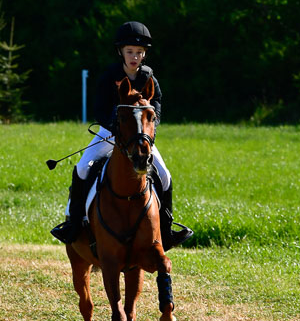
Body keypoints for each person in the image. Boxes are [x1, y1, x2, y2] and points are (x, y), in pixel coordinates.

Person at [50, 21, 193, 250]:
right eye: (130, 52)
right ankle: (74, 224)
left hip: (138, 138)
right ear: (121, 52)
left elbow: (156, 104)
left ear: (144, 54)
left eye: (139, 52)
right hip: (109, 135)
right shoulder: (110, 76)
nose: (134, 57)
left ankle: (166, 230)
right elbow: (99, 107)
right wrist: (114, 126)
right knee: (82, 168)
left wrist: (150, 124)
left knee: (165, 175)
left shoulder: (149, 77)